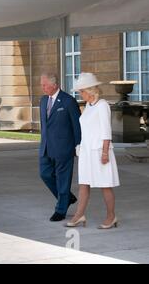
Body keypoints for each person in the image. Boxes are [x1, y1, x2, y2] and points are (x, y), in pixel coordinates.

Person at [66, 73, 120, 229]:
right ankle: (79, 215)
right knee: (84, 184)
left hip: (99, 152)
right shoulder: (88, 106)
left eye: (81, 91)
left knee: (105, 185)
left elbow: (106, 131)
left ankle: (111, 217)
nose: (80, 94)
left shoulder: (102, 105)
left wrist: (104, 153)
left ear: (90, 90)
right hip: (86, 151)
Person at [39, 72, 81, 222]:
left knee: (63, 179)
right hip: (46, 146)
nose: (42, 87)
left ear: (54, 85)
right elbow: (45, 125)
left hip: (64, 147)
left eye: (44, 85)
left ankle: (61, 209)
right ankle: (67, 198)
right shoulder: (43, 100)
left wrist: (78, 145)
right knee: (45, 174)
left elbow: (77, 126)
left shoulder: (68, 101)